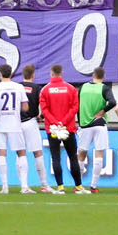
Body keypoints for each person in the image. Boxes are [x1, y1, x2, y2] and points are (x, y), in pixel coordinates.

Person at [39, 65, 86, 194]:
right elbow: (75, 107)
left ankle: (60, 187)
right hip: (68, 127)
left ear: (51, 73)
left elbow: (44, 110)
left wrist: (55, 123)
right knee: (73, 157)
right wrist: (63, 122)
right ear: (62, 73)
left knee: (55, 158)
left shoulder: (45, 90)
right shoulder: (70, 88)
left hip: (53, 129)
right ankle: (79, 186)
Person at [0, 63, 32, 194]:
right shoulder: (19, 87)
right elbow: (25, 107)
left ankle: (5, 187)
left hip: (0, 123)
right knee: (21, 152)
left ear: (0, 74)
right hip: (15, 123)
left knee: (2, 153)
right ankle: (24, 186)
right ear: (11, 74)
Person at [76, 67, 117, 194]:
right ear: (103, 76)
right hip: (99, 123)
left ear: (93, 75)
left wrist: (79, 121)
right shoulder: (104, 88)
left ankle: (78, 185)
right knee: (99, 154)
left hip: (85, 124)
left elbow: (76, 104)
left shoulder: (83, 87)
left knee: (81, 154)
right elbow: (113, 102)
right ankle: (93, 186)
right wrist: (103, 111)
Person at [19, 65, 53, 193]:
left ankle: (24, 186)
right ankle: (44, 185)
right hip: (30, 122)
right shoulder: (37, 88)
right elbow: (46, 105)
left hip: (16, 124)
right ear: (33, 75)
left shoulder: (17, 87)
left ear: (23, 74)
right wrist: (41, 116)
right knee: (37, 152)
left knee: (21, 153)